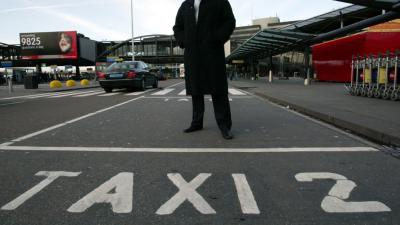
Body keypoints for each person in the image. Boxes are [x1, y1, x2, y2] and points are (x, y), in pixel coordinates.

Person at [173, 0, 236, 140]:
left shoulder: (219, 1)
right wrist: (183, 40)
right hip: (192, 53)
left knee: (218, 88)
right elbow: (178, 27)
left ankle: (224, 126)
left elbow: (229, 21)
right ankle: (197, 122)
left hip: (213, 51)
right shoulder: (186, 4)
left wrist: (218, 38)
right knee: (195, 89)